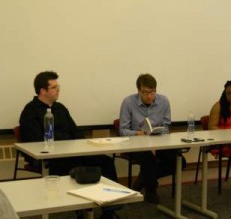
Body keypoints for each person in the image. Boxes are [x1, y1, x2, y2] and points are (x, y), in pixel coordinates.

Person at [19, 71, 119, 219]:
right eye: (54, 87)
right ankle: (81, 210)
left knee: (105, 161)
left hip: (72, 153)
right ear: (42, 90)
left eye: (58, 86)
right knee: (76, 168)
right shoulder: (30, 111)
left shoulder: (60, 108)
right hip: (50, 158)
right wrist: (66, 141)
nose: (58, 89)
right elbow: (36, 140)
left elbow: (76, 132)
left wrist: (77, 145)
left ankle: (110, 209)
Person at [119, 73, 186, 204]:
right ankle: (151, 188)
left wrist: (157, 135)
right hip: (136, 143)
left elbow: (166, 127)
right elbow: (122, 130)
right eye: (145, 92)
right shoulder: (128, 102)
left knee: (179, 161)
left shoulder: (164, 101)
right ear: (138, 90)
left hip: (159, 142)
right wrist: (137, 133)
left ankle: (142, 180)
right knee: (148, 158)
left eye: (152, 92)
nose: (149, 96)